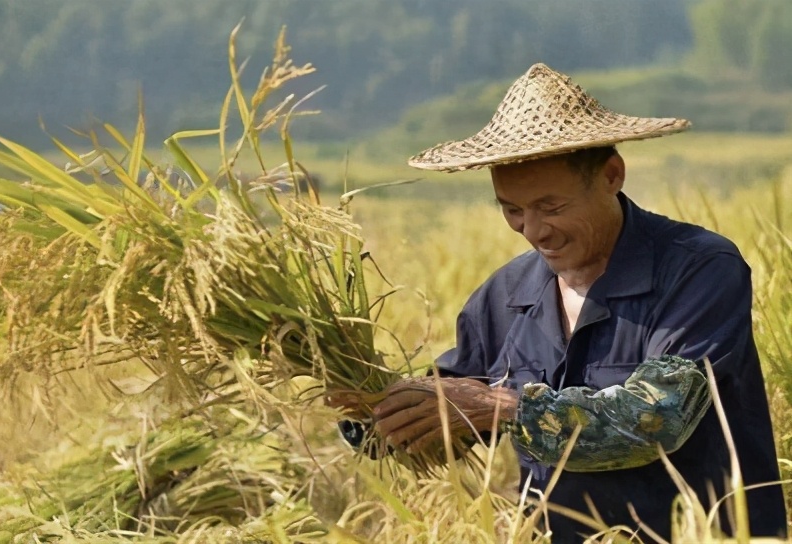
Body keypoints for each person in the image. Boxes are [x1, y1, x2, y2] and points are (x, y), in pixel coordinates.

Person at [335, 63, 788, 542]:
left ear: (612, 175)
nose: (533, 231)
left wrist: (501, 407)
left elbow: (656, 420)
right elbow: (450, 415)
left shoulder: (698, 270)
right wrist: (370, 406)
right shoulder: (506, 295)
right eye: (512, 210)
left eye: (552, 208)